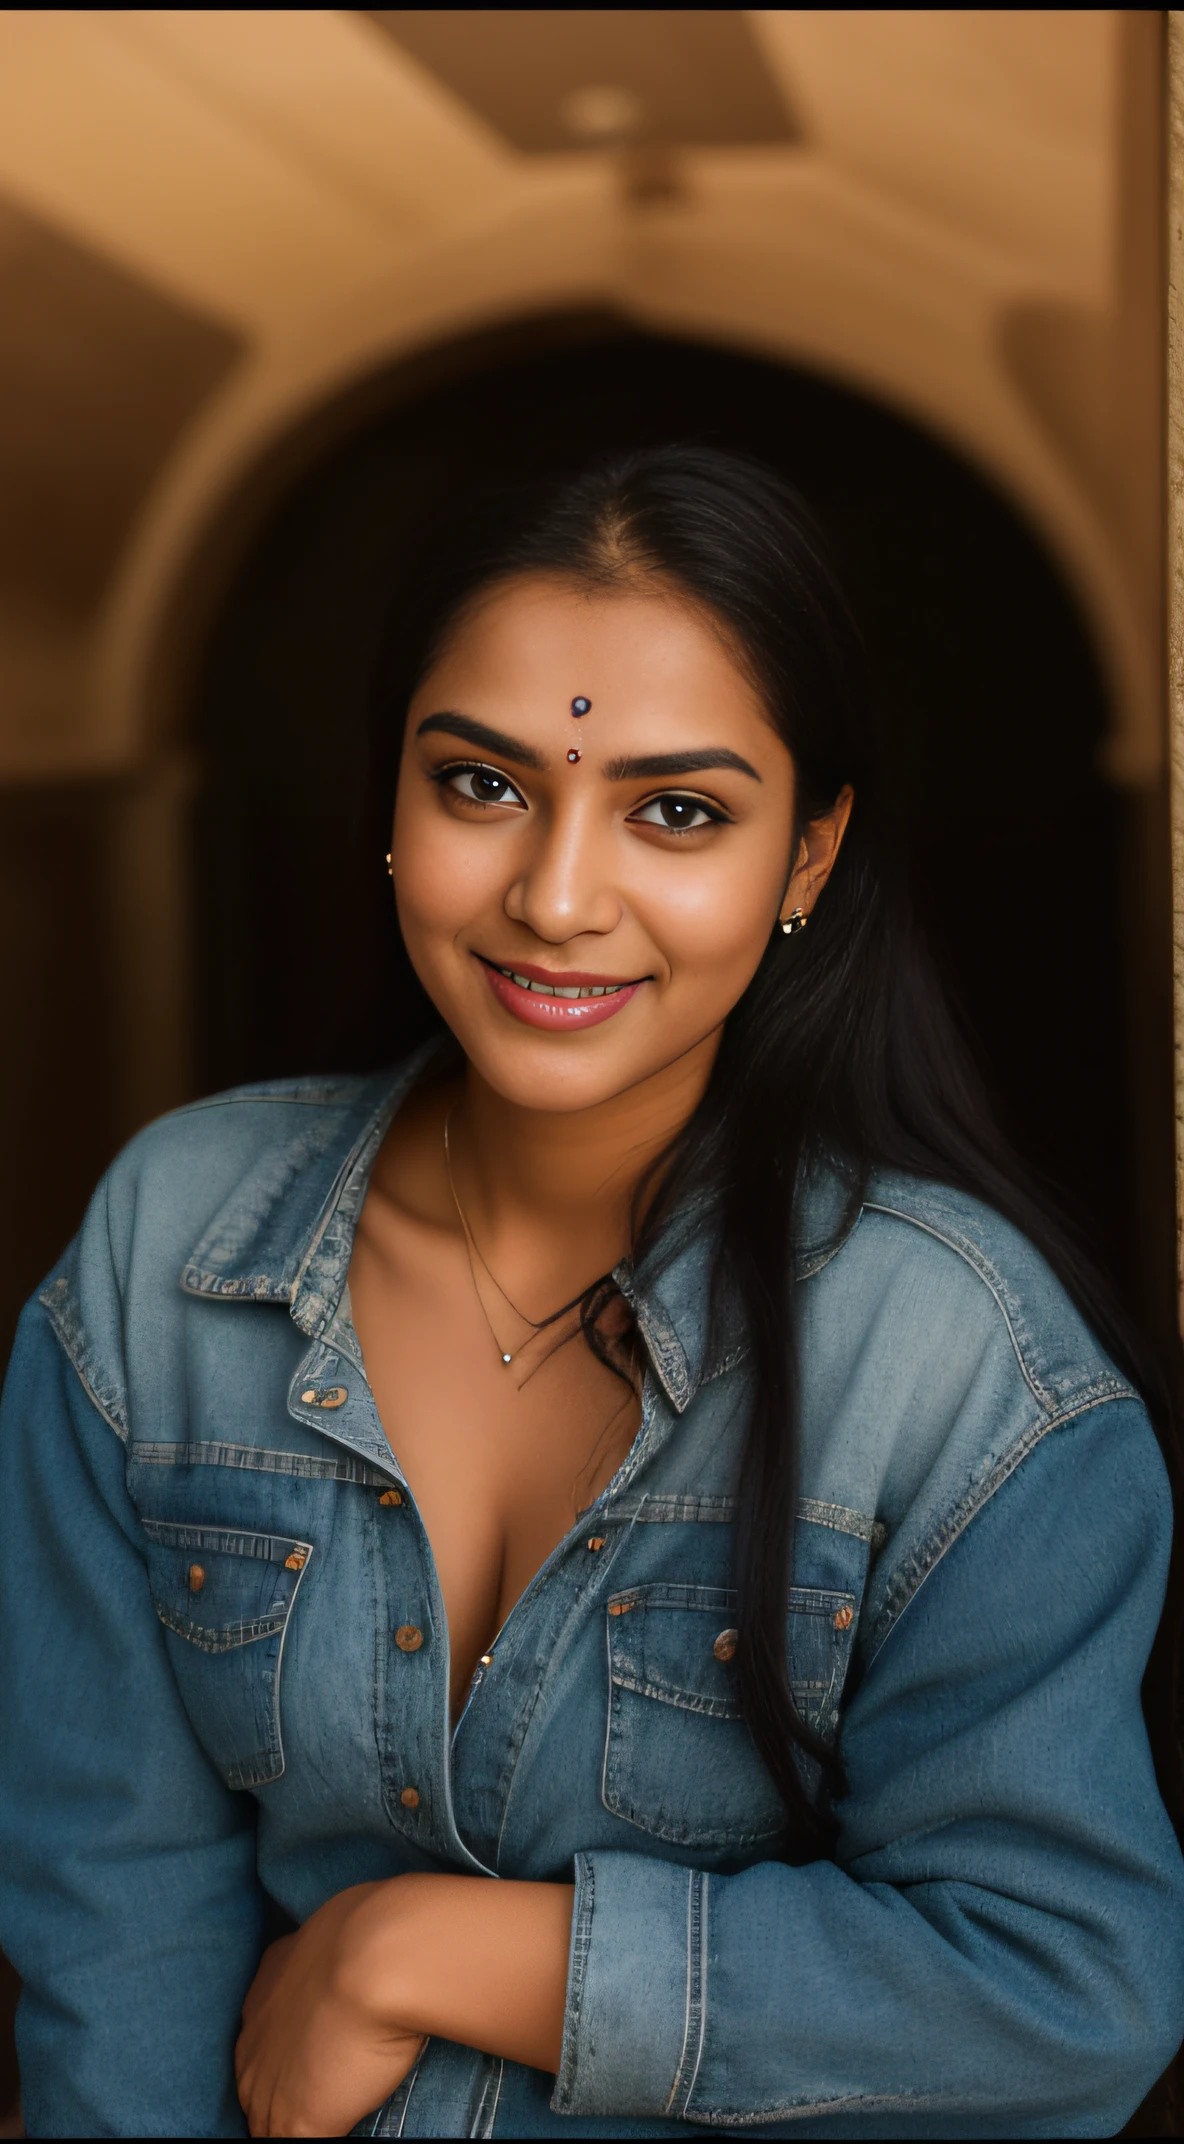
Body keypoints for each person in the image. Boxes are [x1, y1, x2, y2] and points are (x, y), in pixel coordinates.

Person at [1, 445, 1182, 2140]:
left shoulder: (960, 1368)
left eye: (677, 812)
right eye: (481, 786)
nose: (556, 898)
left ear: (806, 858)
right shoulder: (164, 1258)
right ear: (390, 805)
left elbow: (1064, 1995)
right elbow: (108, 1919)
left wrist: (431, 1950)